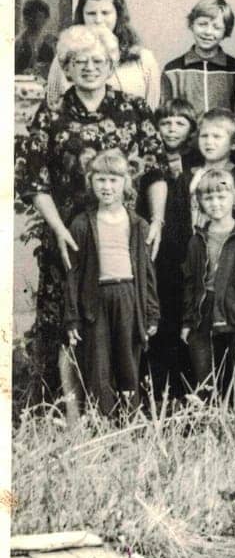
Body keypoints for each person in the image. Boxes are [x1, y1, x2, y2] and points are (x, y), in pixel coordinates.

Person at [19, 24, 165, 408]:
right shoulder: (52, 114)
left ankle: (122, 412)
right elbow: (34, 181)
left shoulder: (132, 109)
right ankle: (72, 418)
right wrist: (57, 229)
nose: (89, 68)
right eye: (79, 62)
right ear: (66, 67)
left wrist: (158, 223)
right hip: (70, 239)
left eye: (97, 61)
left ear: (111, 63)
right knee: (72, 328)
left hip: (121, 238)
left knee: (125, 325)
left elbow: (157, 171)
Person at [63, 149, 161, 416]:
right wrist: (72, 318)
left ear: (126, 183)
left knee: (129, 364)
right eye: (101, 180)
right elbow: (72, 273)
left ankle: (130, 424)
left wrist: (151, 313)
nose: (107, 187)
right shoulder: (82, 224)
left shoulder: (137, 224)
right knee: (99, 366)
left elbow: (146, 272)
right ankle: (102, 425)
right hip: (96, 301)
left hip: (128, 296)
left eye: (113, 180)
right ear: (91, 182)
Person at [181, 169, 235, 403]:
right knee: (204, 374)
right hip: (202, 312)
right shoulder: (197, 240)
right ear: (200, 202)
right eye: (208, 198)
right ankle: (208, 420)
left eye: (221, 197)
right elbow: (190, 284)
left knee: (234, 373)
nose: (215, 204)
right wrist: (186, 321)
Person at [142, 97, 201, 397]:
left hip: (188, 252)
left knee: (185, 316)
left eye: (180, 123)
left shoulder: (197, 162)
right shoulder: (150, 162)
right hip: (159, 252)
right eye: (165, 123)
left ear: (191, 128)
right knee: (158, 315)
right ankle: (157, 386)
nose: (171, 129)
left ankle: (184, 388)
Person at [45, 0, 163, 109]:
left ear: (118, 15)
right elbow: (53, 104)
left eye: (105, 13)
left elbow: (152, 111)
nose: (98, 20)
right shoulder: (64, 57)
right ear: (81, 16)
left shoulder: (143, 59)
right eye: (91, 13)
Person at [161, 0, 235, 113]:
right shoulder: (172, 70)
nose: (208, 32)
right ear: (192, 24)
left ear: (226, 31)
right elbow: (166, 115)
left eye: (216, 27)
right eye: (202, 24)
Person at [16, 0, 56, 77]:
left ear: (46, 18)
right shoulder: (18, 42)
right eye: (33, 17)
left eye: (41, 17)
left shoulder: (51, 41)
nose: (37, 21)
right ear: (26, 19)